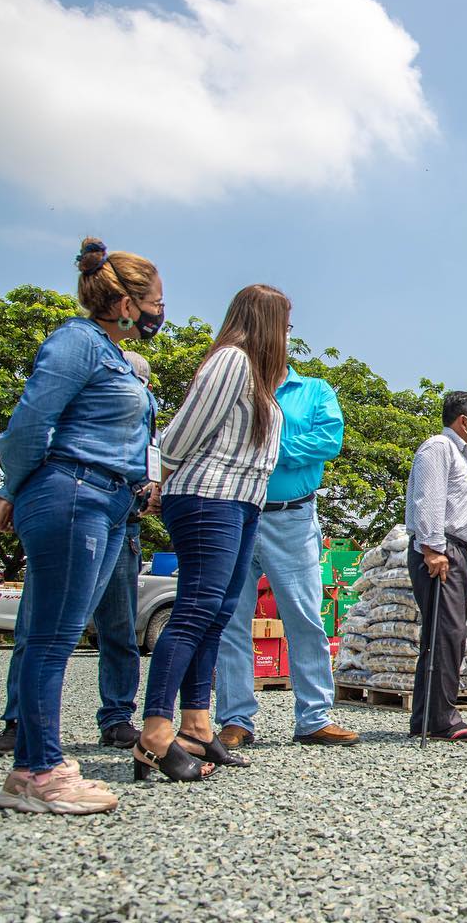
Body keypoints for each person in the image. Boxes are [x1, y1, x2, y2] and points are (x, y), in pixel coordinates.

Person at [0, 238, 161, 814]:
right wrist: (14, 489)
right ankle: (38, 772)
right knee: (50, 638)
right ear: (126, 304)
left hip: (110, 502)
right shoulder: (77, 342)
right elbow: (28, 426)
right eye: (155, 302)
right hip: (74, 494)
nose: (159, 313)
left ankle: (36, 764)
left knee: (61, 635)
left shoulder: (114, 354)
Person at [137, 285, 289, 782]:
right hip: (209, 496)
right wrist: (160, 479)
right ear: (266, 323)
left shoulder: (259, 377)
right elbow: (181, 433)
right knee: (195, 610)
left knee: (218, 614)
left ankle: (197, 726)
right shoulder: (231, 362)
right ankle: (154, 734)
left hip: (241, 503)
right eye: (285, 324)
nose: (289, 335)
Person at [0, 351, 155, 757]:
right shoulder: (74, 410)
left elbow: (151, 464)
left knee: (118, 628)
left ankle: (117, 718)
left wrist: (151, 489)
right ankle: (20, 721)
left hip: (123, 523)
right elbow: (29, 438)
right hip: (73, 514)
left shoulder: (146, 418)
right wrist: (12, 492)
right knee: (37, 625)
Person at [214, 360, 358, 748]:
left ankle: (314, 718)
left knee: (305, 618)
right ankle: (235, 719)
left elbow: (328, 440)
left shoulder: (314, 390)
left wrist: (268, 449)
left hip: (292, 517)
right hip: (238, 510)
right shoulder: (238, 385)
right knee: (231, 621)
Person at [405, 390, 467, 744]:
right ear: (464, 420)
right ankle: (442, 720)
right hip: (440, 551)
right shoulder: (438, 447)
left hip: (458, 552)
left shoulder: (461, 456)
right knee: (446, 635)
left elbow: (466, 521)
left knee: (445, 635)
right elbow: (428, 500)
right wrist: (431, 549)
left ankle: (427, 717)